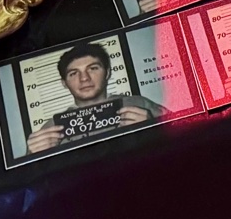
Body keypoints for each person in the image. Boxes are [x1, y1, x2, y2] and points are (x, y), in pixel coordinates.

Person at [24, 42, 164, 154]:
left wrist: (154, 129)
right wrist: (32, 157)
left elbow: (175, 141)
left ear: (107, 73)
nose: (84, 78)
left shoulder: (139, 104)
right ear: (64, 83)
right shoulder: (51, 128)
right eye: (73, 73)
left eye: (93, 68)